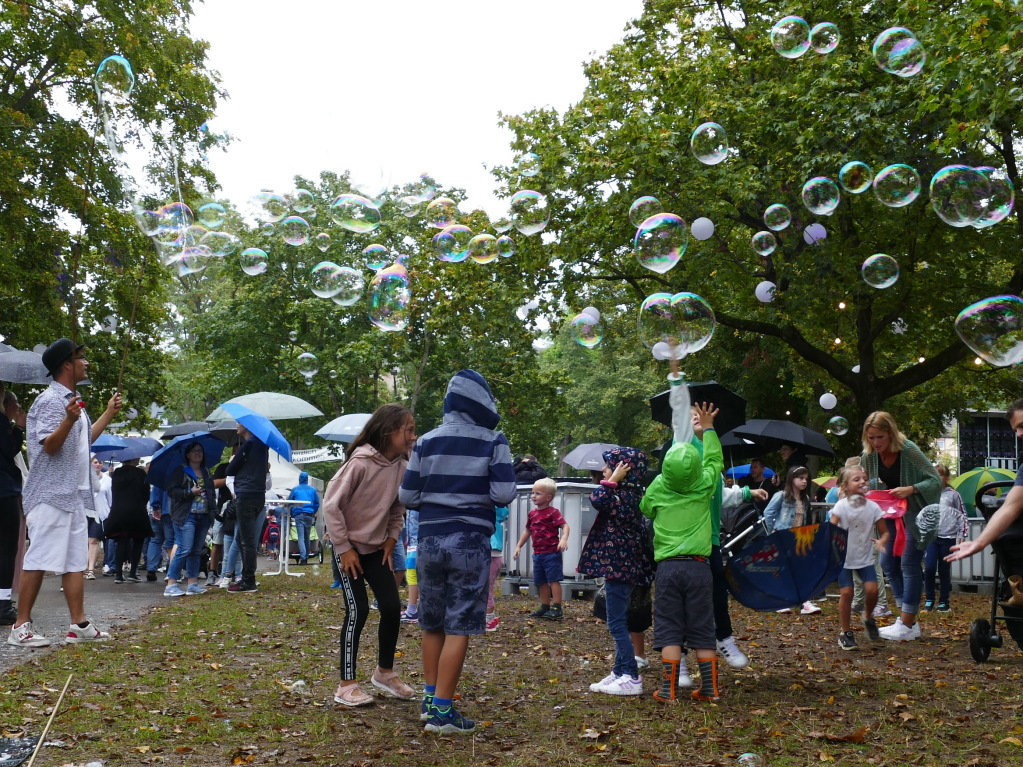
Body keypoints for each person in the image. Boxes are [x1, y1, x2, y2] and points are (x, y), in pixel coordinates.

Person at [399, 369, 517, 734]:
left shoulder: (427, 441)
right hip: (469, 542)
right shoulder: (494, 441)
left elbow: (407, 496)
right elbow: (503, 494)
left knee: (431, 621)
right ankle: (443, 713)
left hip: (430, 541)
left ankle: (429, 698)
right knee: (460, 622)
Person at [9, 338, 121, 648]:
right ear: (66, 365)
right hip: (49, 494)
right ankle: (20, 628)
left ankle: (79, 625)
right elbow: (50, 445)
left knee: (74, 562)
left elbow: (84, 440)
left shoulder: (73, 401)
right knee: (38, 559)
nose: (86, 362)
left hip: (72, 495)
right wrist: (69, 418)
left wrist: (108, 414)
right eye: (81, 357)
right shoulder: (50, 401)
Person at [322, 403, 418, 708]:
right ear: (389, 431)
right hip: (348, 551)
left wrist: (391, 538)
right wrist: (344, 548)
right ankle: (346, 685)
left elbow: (397, 508)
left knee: (391, 607)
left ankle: (384, 673)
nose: (414, 436)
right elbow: (330, 506)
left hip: (377, 549)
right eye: (409, 430)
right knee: (358, 610)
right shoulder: (359, 463)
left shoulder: (402, 467)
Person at [641, 402, 722, 704]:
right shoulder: (704, 484)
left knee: (669, 625)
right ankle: (710, 688)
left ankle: (667, 689)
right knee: (702, 624)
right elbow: (714, 459)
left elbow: (645, 508)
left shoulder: (659, 486)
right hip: (700, 567)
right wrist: (709, 428)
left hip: (668, 569)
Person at [579, 446, 654, 696]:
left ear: (624, 471)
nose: (603, 470)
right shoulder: (628, 495)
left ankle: (631, 676)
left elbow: (597, 499)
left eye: (609, 466)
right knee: (617, 622)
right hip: (620, 569)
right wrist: (613, 480)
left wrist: (611, 481)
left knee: (616, 624)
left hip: (621, 570)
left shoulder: (624, 497)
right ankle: (620, 670)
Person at [860, 411, 941, 641]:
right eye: (872, 438)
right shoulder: (868, 456)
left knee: (909, 562)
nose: (876, 443)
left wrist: (911, 488)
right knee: (887, 561)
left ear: (891, 433)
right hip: (891, 516)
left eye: (880, 437)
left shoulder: (909, 450)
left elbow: (934, 480)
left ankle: (906, 623)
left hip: (916, 516)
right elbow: (862, 481)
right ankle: (908, 620)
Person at [829, 465, 889, 650]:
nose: (862, 481)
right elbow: (831, 529)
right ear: (845, 486)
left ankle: (868, 617)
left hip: (864, 559)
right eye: (856, 479)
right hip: (844, 559)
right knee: (847, 593)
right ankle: (845, 632)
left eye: (864, 478)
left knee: (872, 591)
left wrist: (881, 542)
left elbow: (885, 532)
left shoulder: (873, 507)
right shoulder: (841, 506)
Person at [764, 465, 822, 615]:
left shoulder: (805, 499)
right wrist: (773, 531)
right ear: (792, 479)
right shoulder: (781, 496)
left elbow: (806, 519)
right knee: (783, 569)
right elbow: (768, 513)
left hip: (798, 538)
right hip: (783, 537)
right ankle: (781, 601)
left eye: (806, 479)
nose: (804, 481)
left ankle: (805, 602)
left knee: (801, 569)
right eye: (800, 478)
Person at [163, 441, 216, 597]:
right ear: (187, 454)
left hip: (204, 515)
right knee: (184, 548)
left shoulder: (205, 471)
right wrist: (190, 492)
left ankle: (192, 583)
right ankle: (171, 583)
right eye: (194, 451)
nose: (198, 453)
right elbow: (172, 492)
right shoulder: (181, 471)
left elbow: (211, 493)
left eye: (200, 451)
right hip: (186, 516)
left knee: (196, 550)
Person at [513, 478, 570, 620]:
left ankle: (557, 608)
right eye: (533, 493)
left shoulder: (553, 512)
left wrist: (563, 539)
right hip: (538, 554)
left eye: (537, 493)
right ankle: (545, 606)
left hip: (551, 553)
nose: (533, 496)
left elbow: (565, 526)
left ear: (548, 497)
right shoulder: (532, 514)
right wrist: (519, 545)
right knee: (541, 581)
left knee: (554, 580)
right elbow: (527, 531)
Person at [226, 421, 271, 594]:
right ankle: (243, 576)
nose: (237, 425)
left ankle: (248, 581)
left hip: (246, 494)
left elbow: (230, 469)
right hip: (258, 495)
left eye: (240, 423)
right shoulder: (263, 446)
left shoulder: (249, 444)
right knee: (243, 539)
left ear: (248, 426)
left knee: (247, 541)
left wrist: (237, 461)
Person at [923, 464, 967, 612]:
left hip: (948, 537)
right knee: (929, 568)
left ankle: (944, 601)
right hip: (931, 538)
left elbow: (962, 514)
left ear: (946, 478)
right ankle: (929, 598)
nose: (936, 478)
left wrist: (962, 534)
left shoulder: (953, 495)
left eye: (940, 475)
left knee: (943, 570)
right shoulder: (928, 494)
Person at [0, 389, 26, 625]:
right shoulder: (2, 424)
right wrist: (18, 427)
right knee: (7, 549)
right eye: (16, 403)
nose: (18, 408)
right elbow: (9, 451)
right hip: (4, 492)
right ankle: (3, 604)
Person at [105, 457, 151, 583]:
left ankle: (118, 574)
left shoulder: (116, 473)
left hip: (119, 511)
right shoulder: (140, 473)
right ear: (133, 459)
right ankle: (132, 572)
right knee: (138, 541)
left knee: (122, 541)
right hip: (137, 510)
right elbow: (146, 493)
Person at [288, 471, 320, 565]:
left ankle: (303, 558)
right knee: (307, 537)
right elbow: (317, 503)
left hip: (299, 514)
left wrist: (292, 513)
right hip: (309, 515)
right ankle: (306, 557)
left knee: (300, 537)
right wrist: (313, 511)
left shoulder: (295, 490)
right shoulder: (313, 490)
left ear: (299, 479)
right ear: (307, 479)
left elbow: (289, 502)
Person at [86, 456, 110, 579]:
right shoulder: (84, 477)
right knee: (81, 542)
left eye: (100, 462)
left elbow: (110, 499)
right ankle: (78, 569)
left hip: (99, 514)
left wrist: (109, 513)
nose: (97, 464)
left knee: (94, 540)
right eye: (95, 462)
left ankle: (90, 570)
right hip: (84, 512)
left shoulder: (107, 479)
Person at [484, 505, 508, 631]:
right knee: (486, 588)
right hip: (492, 555)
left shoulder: (491, 518)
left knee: (487, 588)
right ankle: (487, 617)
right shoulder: (496, 519)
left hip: (491, 555)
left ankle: (489, 619)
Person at [400, 509, 420, 622]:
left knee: (412, 574)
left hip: (418, 543)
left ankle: (413, 610)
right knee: (416, 574)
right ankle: (420, 610)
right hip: (414, 541)